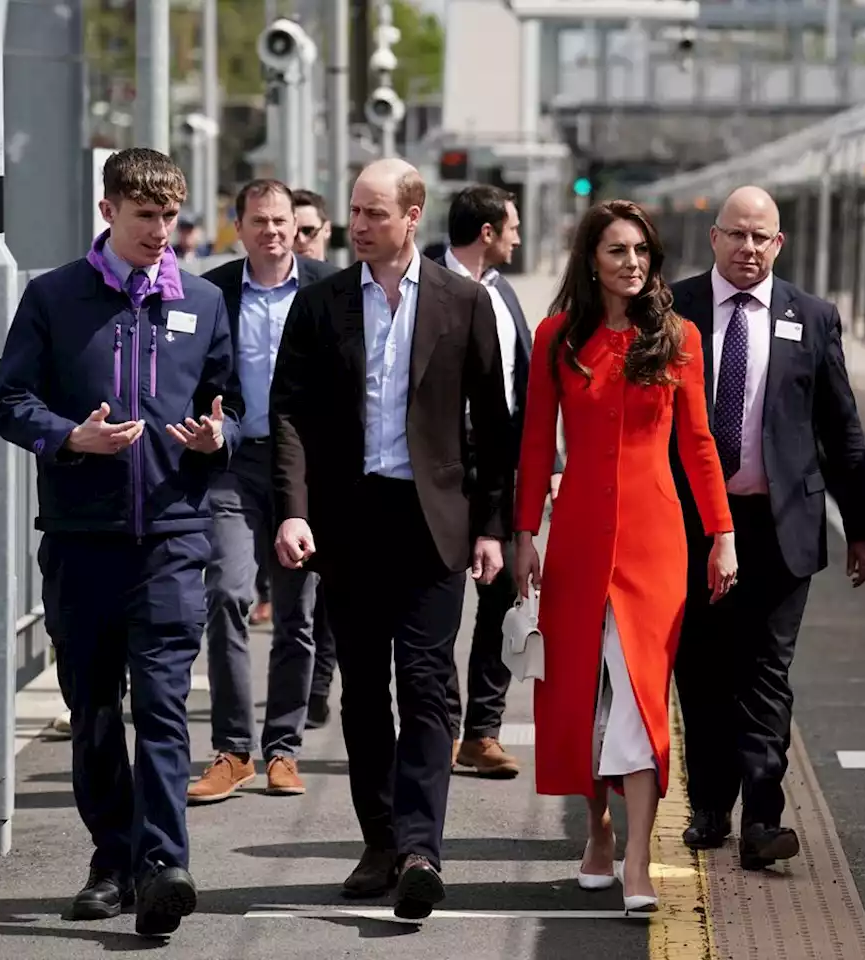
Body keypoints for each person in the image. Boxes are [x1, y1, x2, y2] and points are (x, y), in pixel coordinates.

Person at [0, 147, 242, 937]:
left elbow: (226, 407)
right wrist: (71, 438)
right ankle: (112, 859)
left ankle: (165, 865)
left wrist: (213, 440)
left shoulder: (201, 300)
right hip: (81, 541)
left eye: (171, 216)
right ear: (109, 212)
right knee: (95, 711)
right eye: (145, 217)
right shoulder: (54, 297)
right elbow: (9, 400)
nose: (162, 232)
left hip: (171, 537)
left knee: (163, 709)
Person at [270, 158, 512, 921]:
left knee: (427, 684)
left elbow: (496, 428)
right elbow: (288, 413)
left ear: (413, 217)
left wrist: (493, 527)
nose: (358, 227)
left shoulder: (463, 303)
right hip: (347, 521)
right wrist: (294, 509)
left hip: (431, 521)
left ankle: (420, 849)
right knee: (365, 692)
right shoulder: (322, 303)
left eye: (374, 213)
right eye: (354, 213)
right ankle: (380, 840)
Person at [513, 199, 737, 913]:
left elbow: (699, 446)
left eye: (641, 250)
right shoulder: (557, 338)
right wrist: (524, 536)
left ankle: (637, 857)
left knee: (640, 696)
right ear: (592, 261)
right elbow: (532, 447)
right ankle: (598, 832)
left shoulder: (680, 338)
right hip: (577, 538)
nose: (633, 263)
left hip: (656, 544)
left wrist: (722, 534)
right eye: (617, 251)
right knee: (582, 693)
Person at [668, 186, 865, 866]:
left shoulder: (811, 317)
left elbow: (840, 429)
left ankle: (763, 817)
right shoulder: (675, 309)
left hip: (781, 523)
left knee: (766, 671)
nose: (749, 248)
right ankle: (708, 804)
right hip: (695, 523)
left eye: (762, 237)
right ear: (714, 238)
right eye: (737, 234)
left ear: (779, 244)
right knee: (700, 669)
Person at [187, 180, 339, 804]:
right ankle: (232, 750)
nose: (273, 231)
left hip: (304, 470)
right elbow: (189, 372)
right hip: (233, 464)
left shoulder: (328, 288)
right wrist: (204, 422)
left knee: (299, 612)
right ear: (239, 224)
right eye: (259, 220)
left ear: (297, 228)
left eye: (283, 221)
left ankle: (283, 748)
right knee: (226, 593)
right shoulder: (211, 291)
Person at [435, 184, 564, 777]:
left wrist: (551, 460)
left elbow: (528, 385)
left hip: (500, 464)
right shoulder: (426, 286)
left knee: (501, 596)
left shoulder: (503, 292)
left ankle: (481, 732)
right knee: (435, 600)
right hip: (438, 464)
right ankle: (439, 723)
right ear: (486, 232)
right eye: (510, 227)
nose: (516, 236)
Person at [288, 188, 340, 728]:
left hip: (332, 460)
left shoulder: (338, 291)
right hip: (279, 453)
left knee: (325, 589)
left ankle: (319, 681)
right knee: (299, 590)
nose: (298, 241)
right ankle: (309, 686)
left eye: (307, 232)